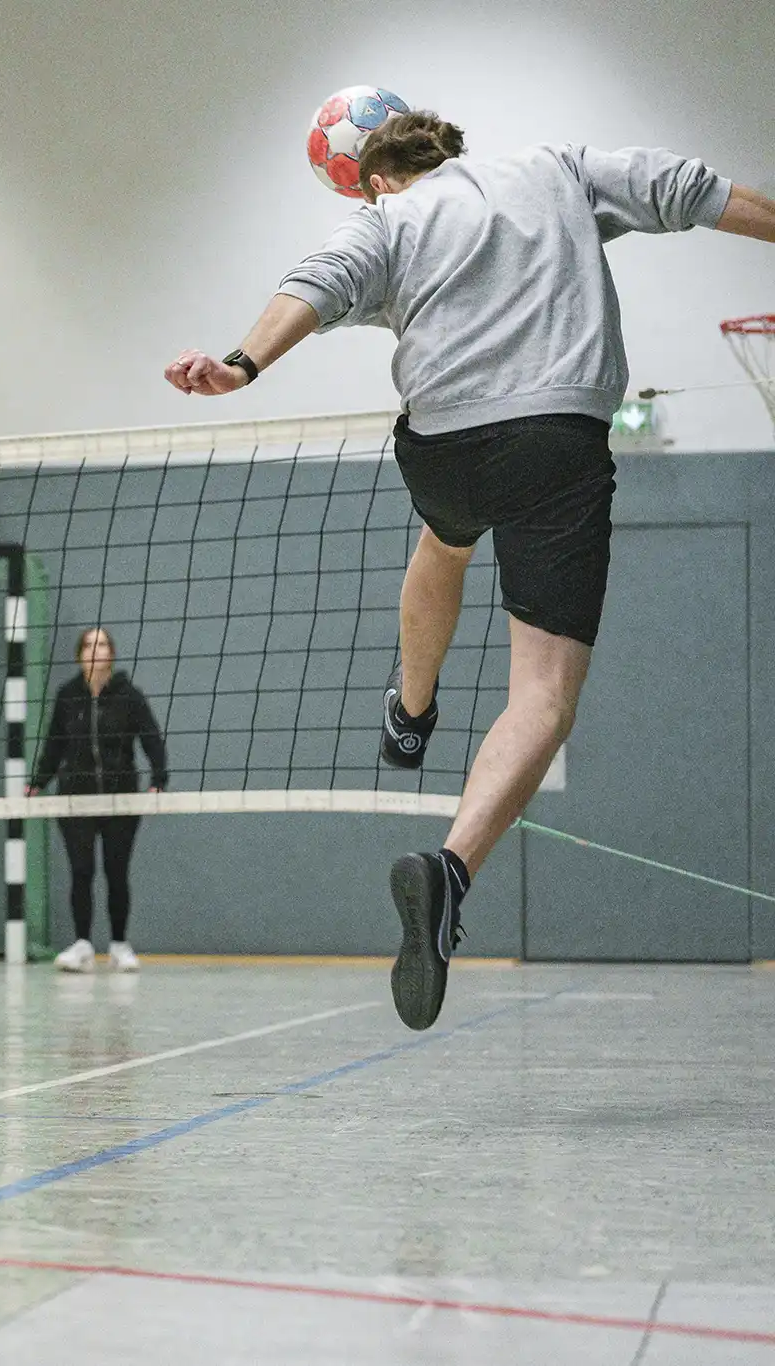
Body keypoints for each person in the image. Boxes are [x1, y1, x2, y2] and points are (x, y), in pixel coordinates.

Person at [163, 111, 775, 1029]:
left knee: (444, 541)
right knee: (543, 693)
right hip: (557, 443)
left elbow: (315, 285)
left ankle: (411, 711)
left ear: (371, 178)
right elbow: (686, 188)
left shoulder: (383, 222)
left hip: (442, 445)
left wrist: (242, 364)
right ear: (445, 150)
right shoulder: (555, 169)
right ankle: (451, 871)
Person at [26, 627, 169, 974]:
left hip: (121, 799)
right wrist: (37, 783)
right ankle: (82, 945)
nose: (95, 650)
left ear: (111, 653)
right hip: (75, 799)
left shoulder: (129, 696)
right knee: (81, 870)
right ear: (80, 654)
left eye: (102, 644)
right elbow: (53, 746)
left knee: (116, 872)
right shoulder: (67, 696)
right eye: (89, 644)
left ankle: (119, 945)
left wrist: (158, 780)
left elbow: (152, 739)